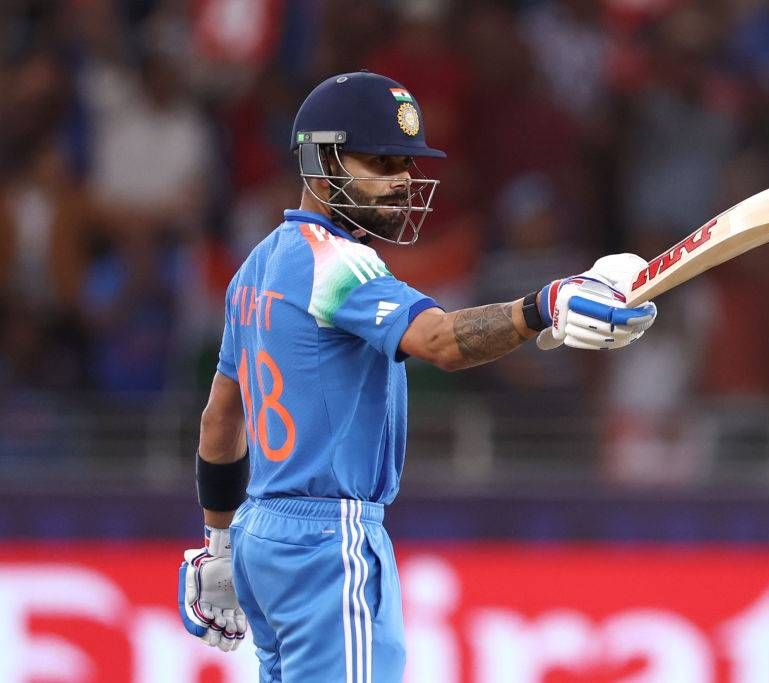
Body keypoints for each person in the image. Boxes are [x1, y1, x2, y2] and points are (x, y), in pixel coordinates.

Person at [176, 71, 657, 682]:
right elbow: (442, 342)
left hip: (261, 538)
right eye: (379, 161)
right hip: (329, 539)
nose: (401, 181)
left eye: (405, 163)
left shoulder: (255, 267)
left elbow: (221, 421)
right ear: (322, 162)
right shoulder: (337, 262)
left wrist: (218, 545)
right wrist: (542, 307)